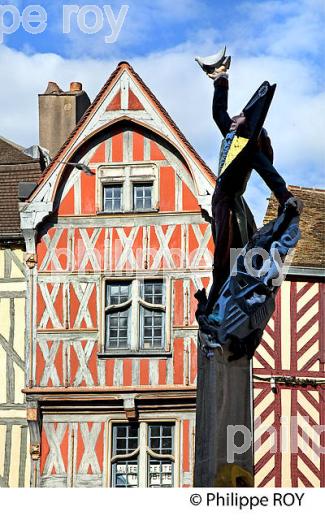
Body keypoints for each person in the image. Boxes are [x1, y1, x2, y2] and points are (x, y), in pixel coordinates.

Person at [195, 50, 303, 316]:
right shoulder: (230, 133)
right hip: (222, 201)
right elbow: (218, 111)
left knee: (229, 255)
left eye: (241, 115)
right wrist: (220, 78)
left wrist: (285, 196)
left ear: (249, 126)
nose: (235, 116)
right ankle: (217, 299)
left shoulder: (248, 147)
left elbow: (269, 173)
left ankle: (220, 300)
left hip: (230, 202)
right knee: (225, 253)